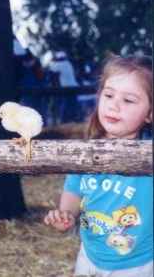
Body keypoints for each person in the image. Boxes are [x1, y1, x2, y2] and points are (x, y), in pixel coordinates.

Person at [44, 54, 153, 277]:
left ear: (150, 113)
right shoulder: (85, 151)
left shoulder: (149, 154)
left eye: (128, 100)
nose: (114, 105)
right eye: (109, 95)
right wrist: (66, 214)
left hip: (137, 263)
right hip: (89, 254)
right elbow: (74, 190)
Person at [49, 51, 79, 123]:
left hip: (66, 87)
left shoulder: (58, 65)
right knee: (72, 104)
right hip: (74, 86)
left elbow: (51, 68)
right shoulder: (68, 64)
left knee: (64, 104)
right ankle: (74, 119)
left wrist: (52, 59)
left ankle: (64, 120)